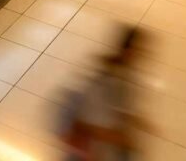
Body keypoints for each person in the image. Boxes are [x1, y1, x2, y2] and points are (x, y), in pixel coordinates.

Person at [61, 27, 147, 161]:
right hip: (91, 146)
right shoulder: (105, 79)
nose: (142, 55)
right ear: (130, 51)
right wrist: (120, 139)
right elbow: (84, 123)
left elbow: (120, 109)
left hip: (99, 143)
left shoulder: (120, 75)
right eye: (140, 51)